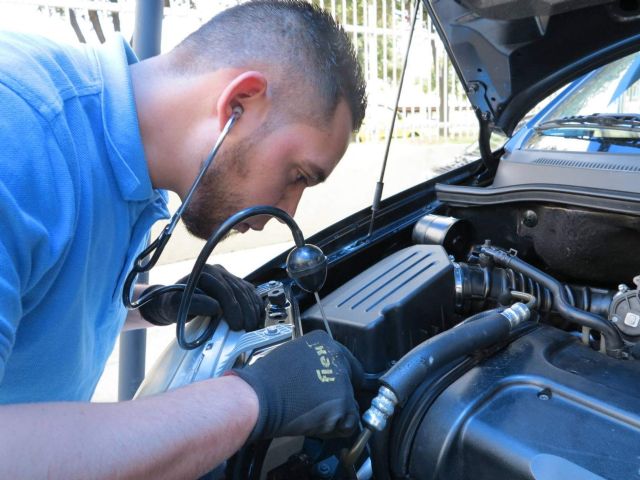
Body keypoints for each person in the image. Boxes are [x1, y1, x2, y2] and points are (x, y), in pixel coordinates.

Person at [0, 0, 367, 477]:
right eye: (296, 174)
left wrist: (150, 305)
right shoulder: (18, 134)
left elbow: (33, 293)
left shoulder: (116, 159)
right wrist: (251, 398)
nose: (287, 211)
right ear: (238, 103)